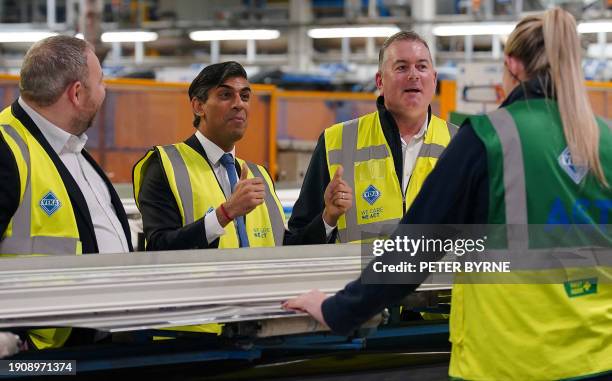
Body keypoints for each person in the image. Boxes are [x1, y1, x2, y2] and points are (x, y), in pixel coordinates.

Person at [284, 8, 611, 381]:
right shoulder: (606, 140)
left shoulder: (489, 138)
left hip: (515, 360)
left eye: (422, 67)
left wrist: (338, 311)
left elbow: (415, 250)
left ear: (512, 65)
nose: (414, 76)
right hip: (598, 355)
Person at [0, 35, 133, 349]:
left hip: (94, 347)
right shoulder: (6, 149)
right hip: (32, 356)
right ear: (76, 93)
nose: (105, 91)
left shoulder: (69, 146)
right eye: (100, 82)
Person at [133, 61, 351, 251]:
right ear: (198, 106)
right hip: (199, 297)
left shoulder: (259, 175)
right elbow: (158, 248)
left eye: (245, 96)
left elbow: (282, 248)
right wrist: (225, 213)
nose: (239, 104)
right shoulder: (165, 166)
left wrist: (328, 217)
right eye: (226, 95)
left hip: (258, 296)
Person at [288, 31, 458, 243]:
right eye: (401, 67)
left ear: (433, 79)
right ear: (380, 81)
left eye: (422, 67)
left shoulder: (460, 145)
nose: (413, 75)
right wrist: (328, 218)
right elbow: (295, 241)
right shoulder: (337, 142)